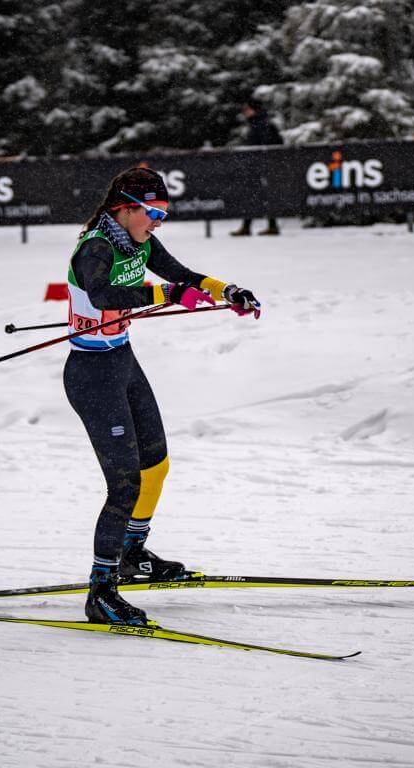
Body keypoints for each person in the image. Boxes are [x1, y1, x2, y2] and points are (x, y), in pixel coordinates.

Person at [65, 167, 261, 625]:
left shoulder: (141, 242)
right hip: (92, 374)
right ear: (124, 207)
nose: (157, 222)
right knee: (124, 484)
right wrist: (166, 292)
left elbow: (183, 275)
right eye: (152, 212)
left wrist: (227, 291)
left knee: (155, 464)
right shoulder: (96, 247)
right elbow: (103, 293)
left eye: (163, 215)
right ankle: (101, 592)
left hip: (122, 361)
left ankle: (131, 554)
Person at [231, 99, 283, 237]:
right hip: (258, 165)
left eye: (247, 109)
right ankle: (257, 226)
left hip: (262, 166)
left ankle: (256, 226)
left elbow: (268, 144)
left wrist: (262, 161)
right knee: (257, 196)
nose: (245, 112)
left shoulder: (262, 124)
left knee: (258, 196)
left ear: (254, 110)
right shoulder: (258, 124)